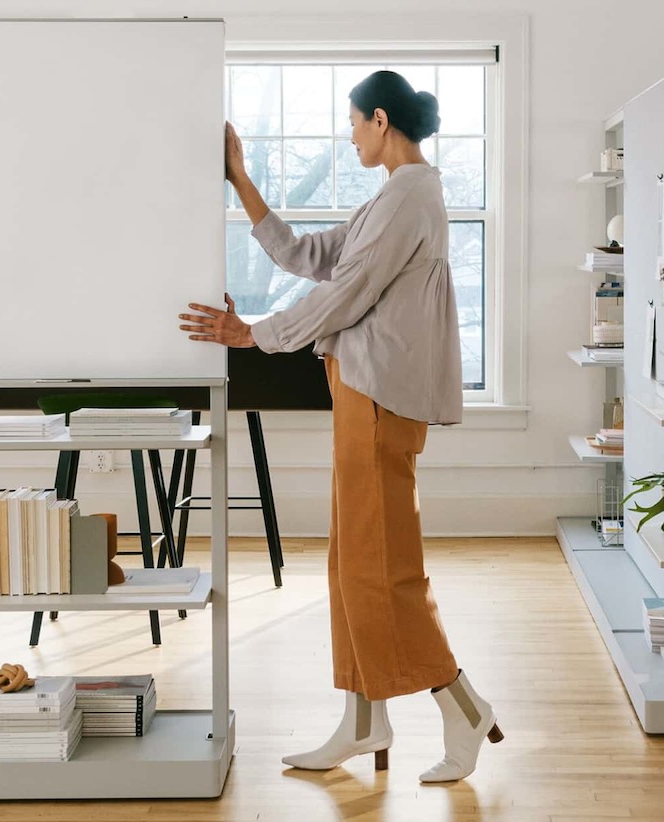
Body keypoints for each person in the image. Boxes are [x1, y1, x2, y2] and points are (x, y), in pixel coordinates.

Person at [179, 70, 501, 783]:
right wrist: (239, 179)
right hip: (365, 393)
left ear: (381, 120)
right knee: (353, 563)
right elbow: (307, 257)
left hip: (380, 399)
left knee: (384, 570)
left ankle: (464, 705)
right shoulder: (394, 197)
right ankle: (363, 720)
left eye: (353, 123)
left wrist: (254, 333)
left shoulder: (410, 196)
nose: (349, 135)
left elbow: (348, 293)